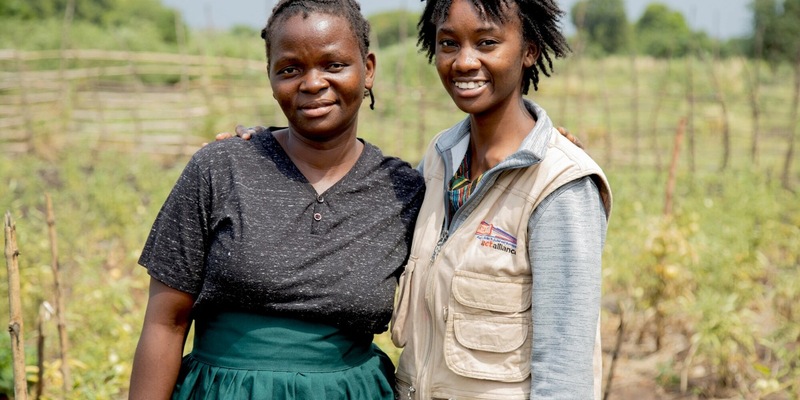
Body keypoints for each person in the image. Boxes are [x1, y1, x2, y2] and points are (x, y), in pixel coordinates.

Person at [128, 1, 424, 399]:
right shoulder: (220, 168)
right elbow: (165, 323)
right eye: (290, 69)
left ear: (368, 69)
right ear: (270, 78)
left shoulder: (402, 189)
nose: (313, 83)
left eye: (334, 65)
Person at [388, 0, 613, 399]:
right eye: (449, 43)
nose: (464, 62)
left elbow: (564, 373)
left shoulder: (560, 185)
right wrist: (263, 151)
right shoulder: (440, 159)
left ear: (530, 51)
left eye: (487, 42)